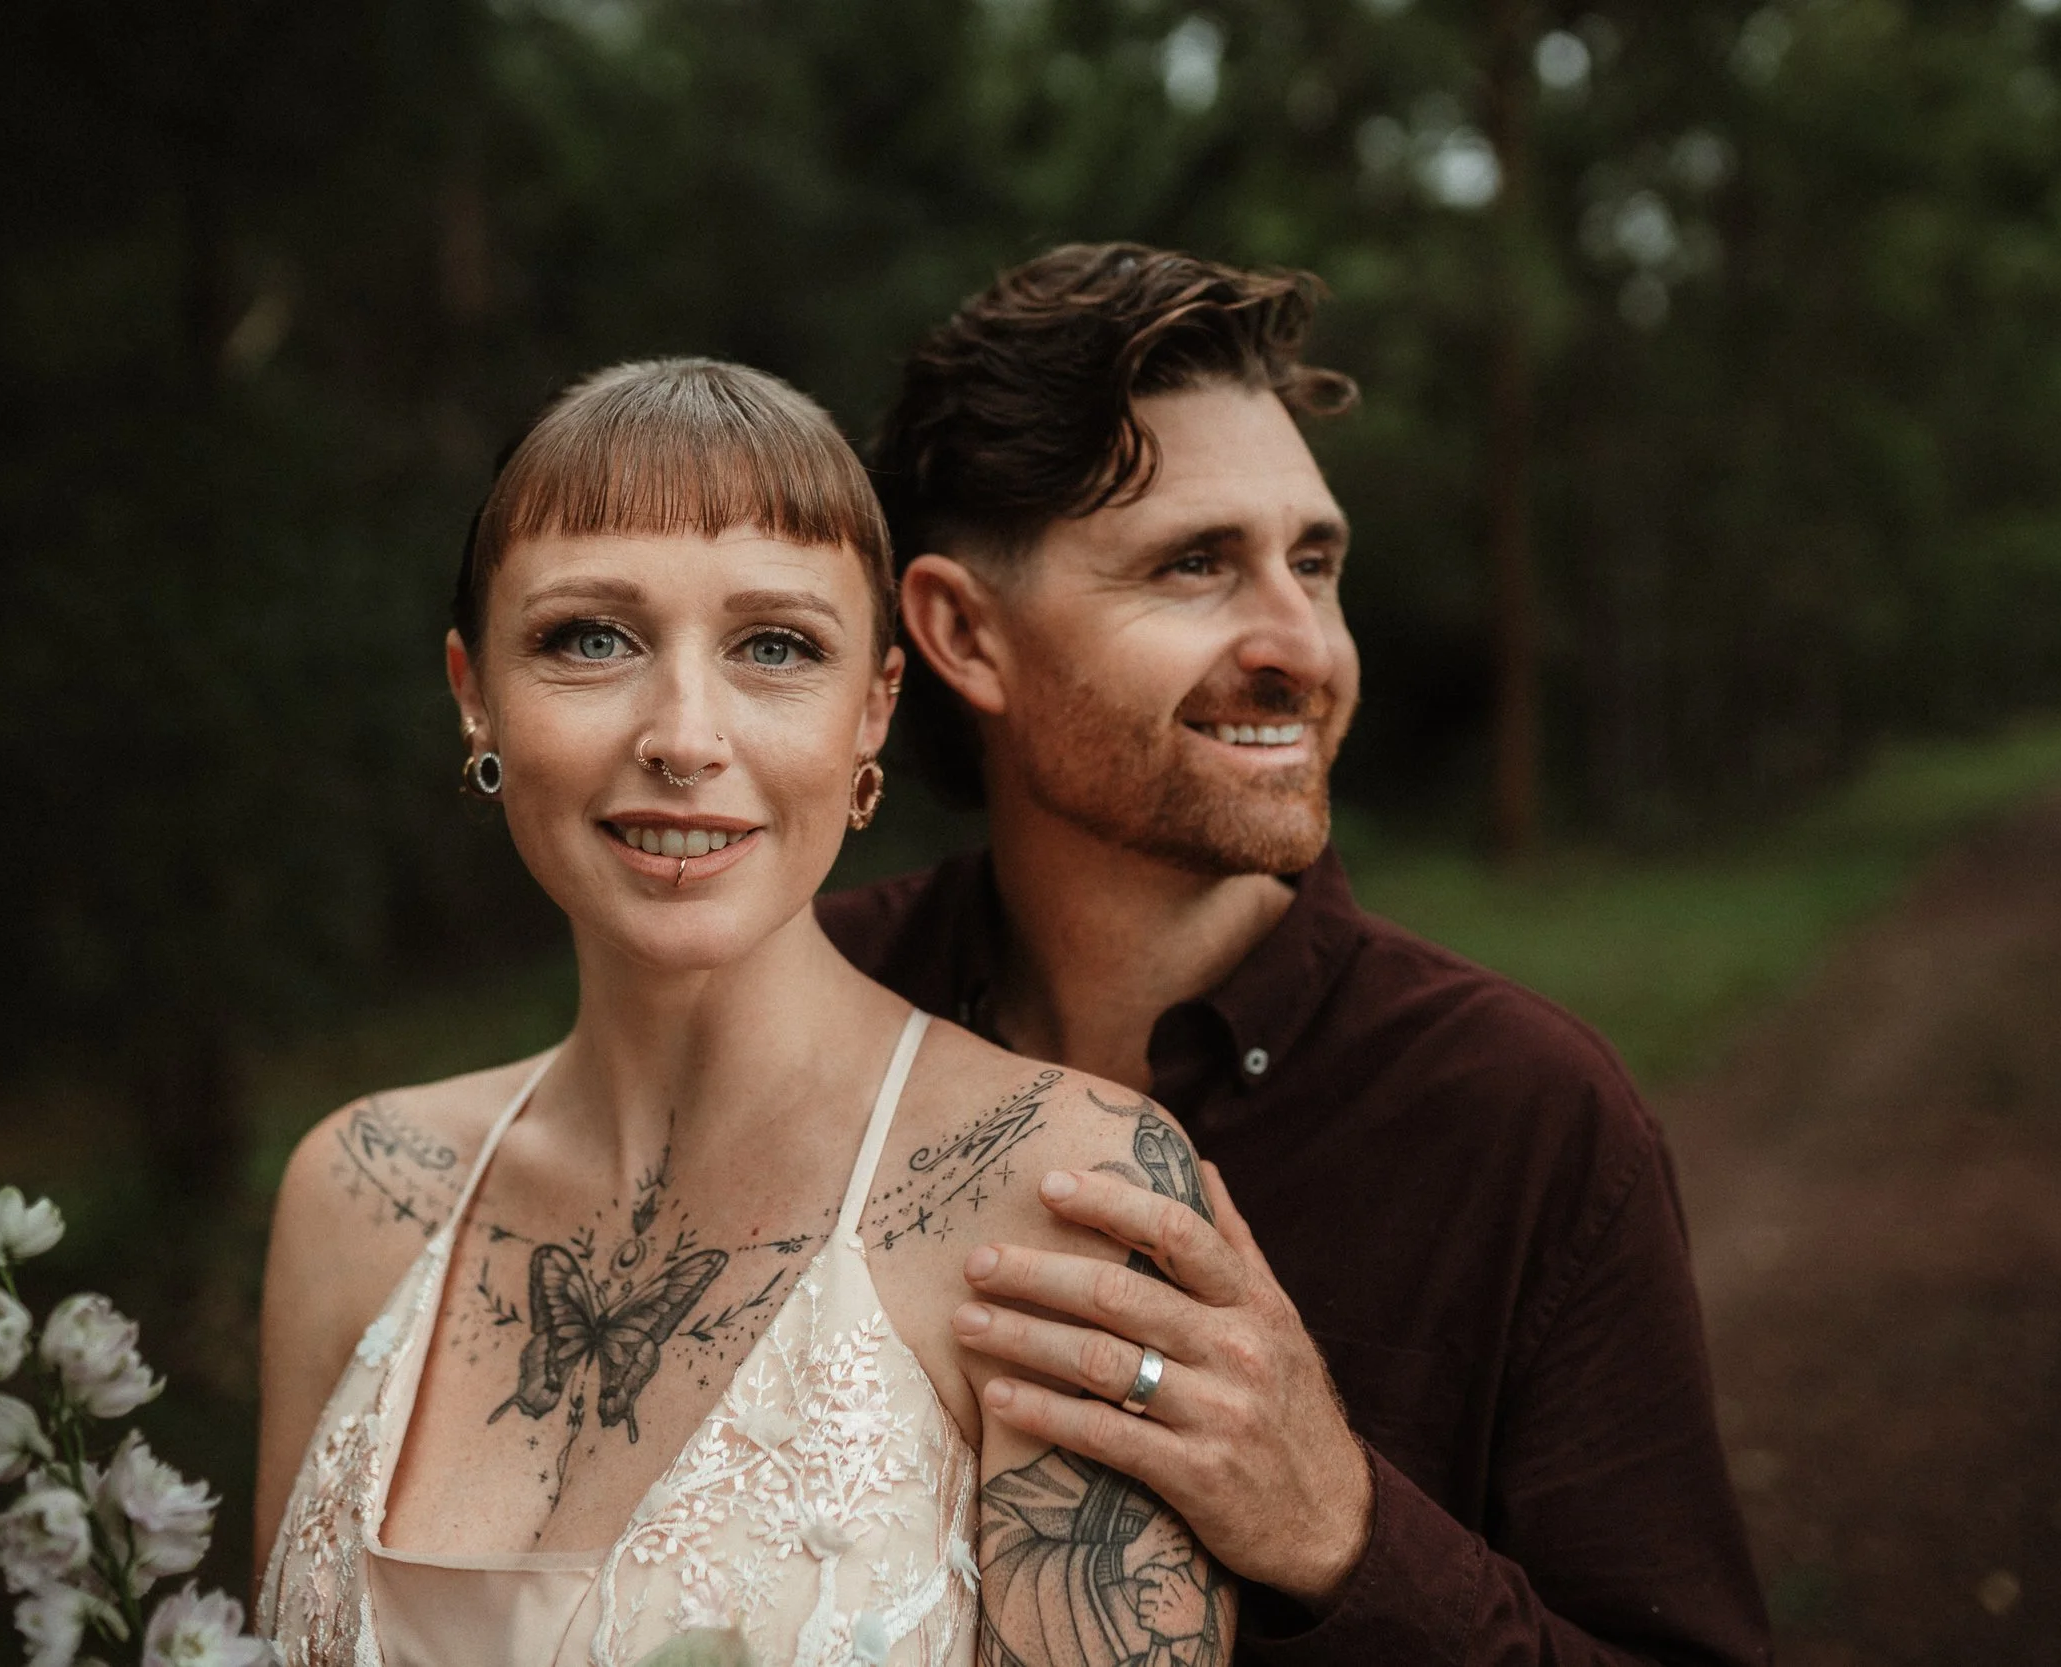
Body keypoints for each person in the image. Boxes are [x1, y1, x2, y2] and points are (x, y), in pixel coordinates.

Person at [819, 246, 1773, 1666]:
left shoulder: (1527, 1116)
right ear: (964, 631)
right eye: (1196, 564)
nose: (1302, 646)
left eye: (1313, 563)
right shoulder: (806, 1012)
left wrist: (1345, 1531)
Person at [252, 358, 1243, 1667]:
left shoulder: (1064, 1190)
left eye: (774, 646)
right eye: (589, 638)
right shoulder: (357, 1191)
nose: (683, 732)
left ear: (873, 708)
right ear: (473, 689)